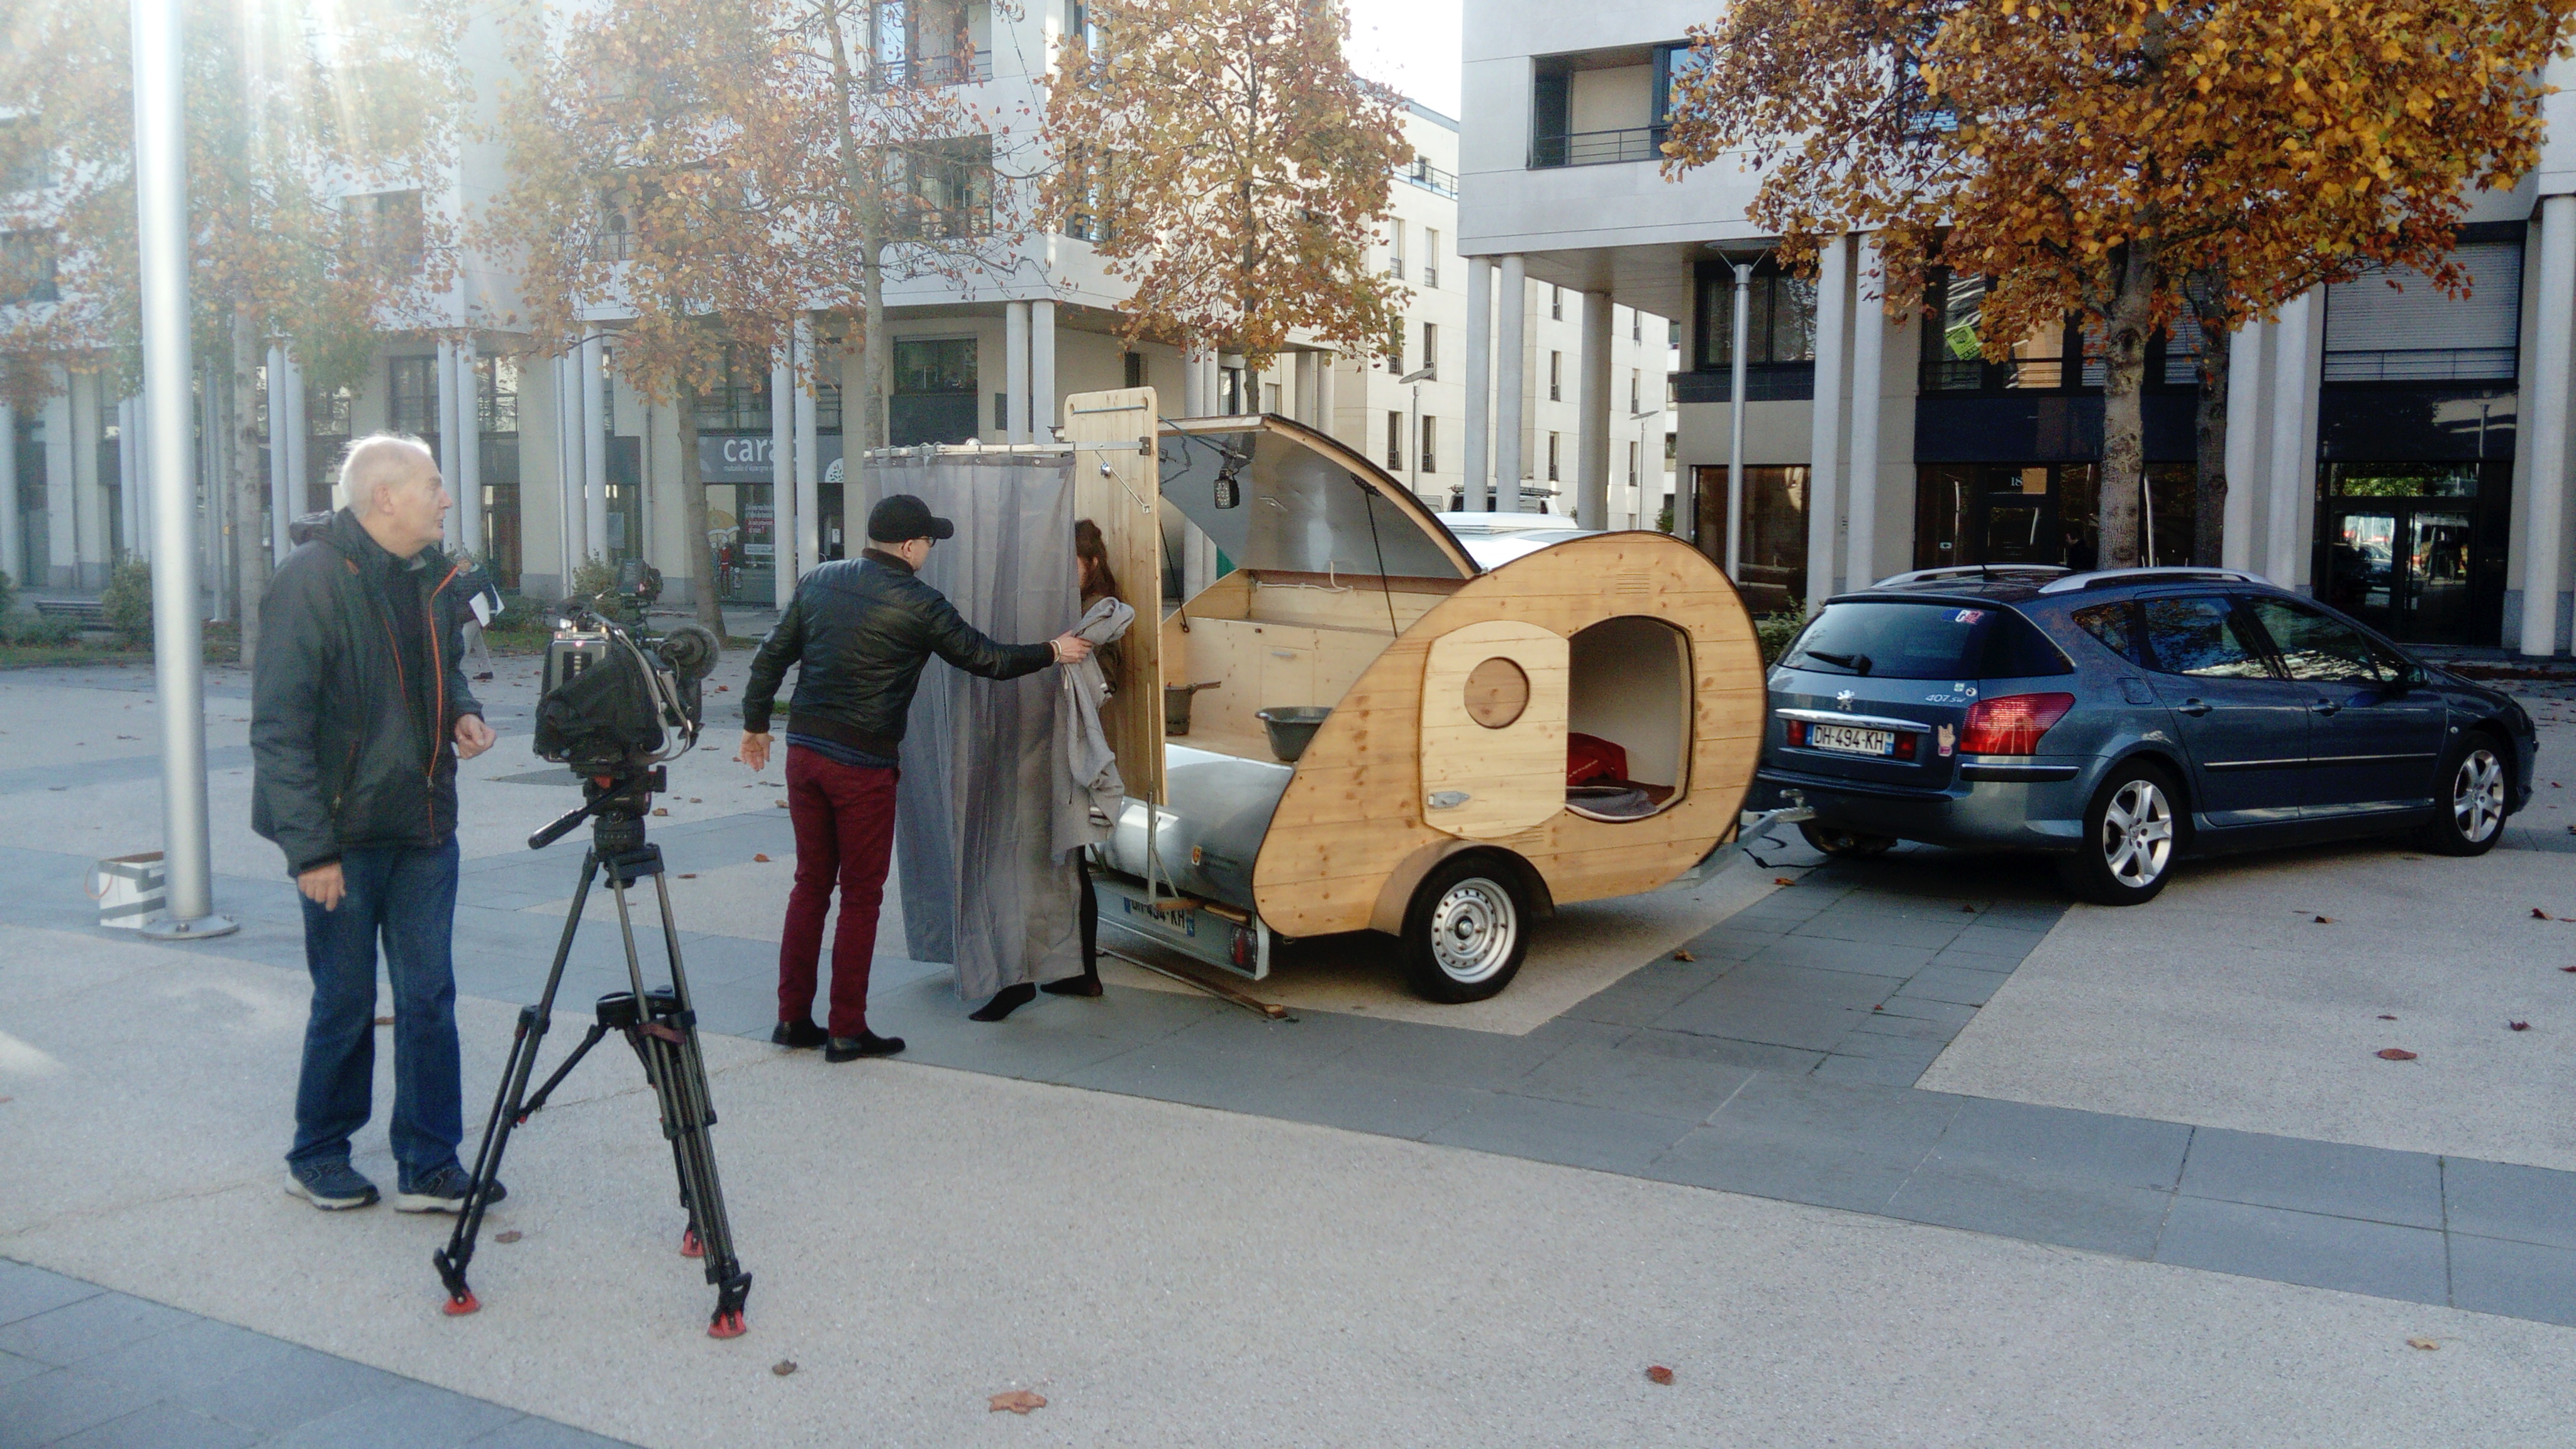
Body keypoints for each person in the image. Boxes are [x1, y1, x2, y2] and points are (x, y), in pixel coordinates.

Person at [740, 493, 1095, 1060]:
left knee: (810, 886)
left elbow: (770, 656)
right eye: (929, 541)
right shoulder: (919, 603)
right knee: (860, 896)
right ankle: (846, 1028)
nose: (931, 550)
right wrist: (1054, 650)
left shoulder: (818, 580)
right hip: (862, 766)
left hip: (804, 753)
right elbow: (987, 660)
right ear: (909, 546)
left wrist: (755, 725)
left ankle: (791, 1020)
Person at [252, 434, 499, 1213]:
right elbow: (279, 729)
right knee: (346, 1000)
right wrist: (310, 849)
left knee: (429, 997)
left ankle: (428, 1163)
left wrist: (461, 709)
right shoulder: (310, 581)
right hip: (342, 842)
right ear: (385, 497)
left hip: (425, 826)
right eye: (434, 485)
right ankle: (317, 1152)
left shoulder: (428, 577)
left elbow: (442, 665)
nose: (447, 499)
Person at [1043, 519, 1125, 1002]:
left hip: (1076, 747)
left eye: (1069, 563)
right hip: (1071, 744)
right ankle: (1079, 969)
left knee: (1073, 862)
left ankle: (1084, 971)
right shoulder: (1085, 605)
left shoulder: (1099, 613)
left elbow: (1101, 683)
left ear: (1091, 564)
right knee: (1072, 861)